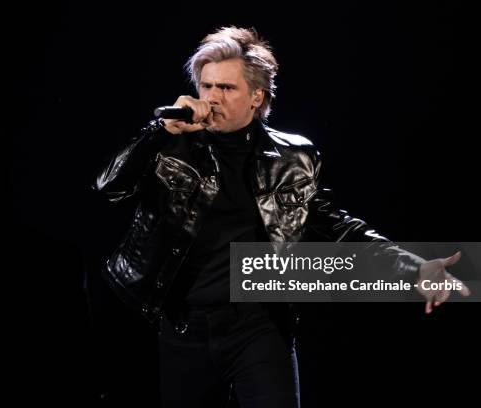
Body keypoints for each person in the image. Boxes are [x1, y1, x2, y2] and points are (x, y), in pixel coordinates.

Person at [93, 26, 470, 408]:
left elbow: (337, 226)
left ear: (256, 97)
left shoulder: (294, 158)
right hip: (183, 325)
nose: (212, 97)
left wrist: (413, 267)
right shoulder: (171, 141)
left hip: (258, 324)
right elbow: (110, 188)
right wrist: (159, 130)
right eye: (206, 86)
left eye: (227, 88)